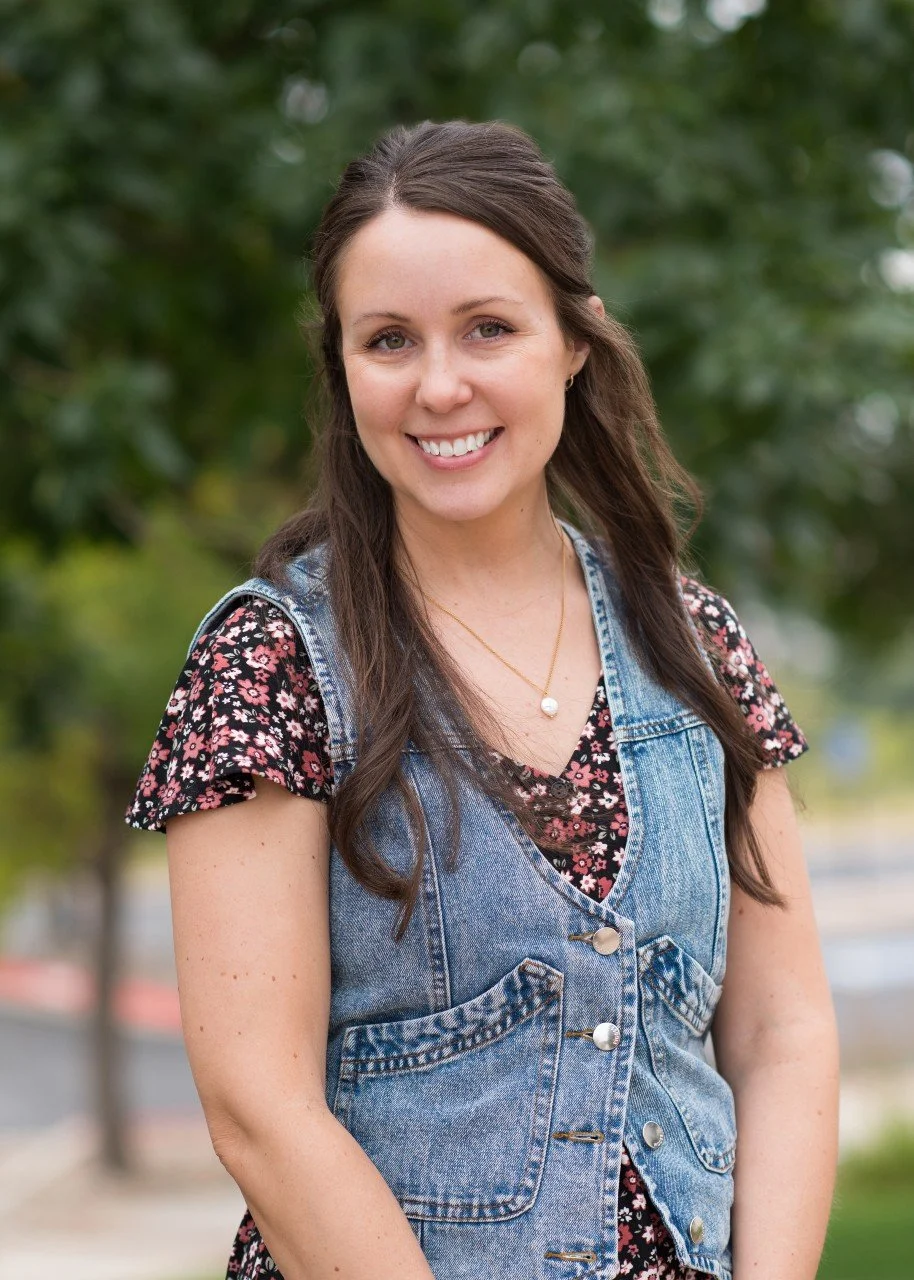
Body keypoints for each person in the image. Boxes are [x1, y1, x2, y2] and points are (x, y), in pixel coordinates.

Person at [127, 120, 839, 1280]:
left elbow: (780, 1032)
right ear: (341, 366)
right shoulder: (271, 663)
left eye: (489, 329)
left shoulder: (692, 639)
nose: (439, 384)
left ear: (572, 341)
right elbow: (258, 1103)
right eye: (388, 339)